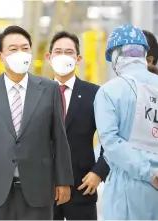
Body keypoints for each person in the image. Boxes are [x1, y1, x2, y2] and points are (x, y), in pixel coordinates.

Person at [0, 25, 73, 220]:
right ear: (0, 55)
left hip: (38, 187)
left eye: (25, 48)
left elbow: (59, 139)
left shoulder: (49, 89)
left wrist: (64, 181)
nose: (20, 53)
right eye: (13, 49)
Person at [94, 24, 158, 220]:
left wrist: (150, 173)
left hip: (127, 188)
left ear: (116, 55)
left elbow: (110, 143)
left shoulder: (109, 91)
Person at [46, 31, 110, 220]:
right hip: (44, 189)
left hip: (83, 185)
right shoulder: (37, 93)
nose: (63, 56)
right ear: (49, 57)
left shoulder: (95, 94)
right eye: (58, 52)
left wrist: (98, 172)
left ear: (78, 58)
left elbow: (111, 138)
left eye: (69, 52)